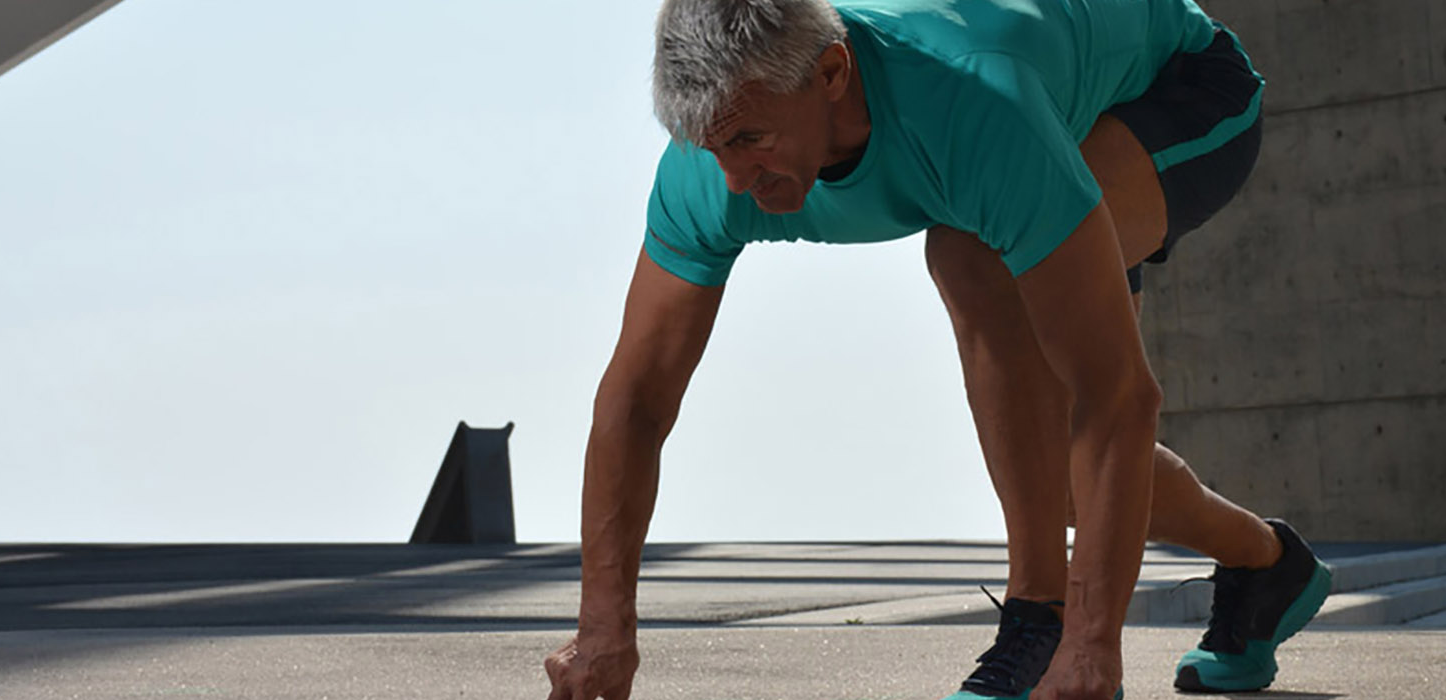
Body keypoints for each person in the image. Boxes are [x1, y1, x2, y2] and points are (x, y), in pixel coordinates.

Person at [544, 1, 1333, 699]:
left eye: (752, 139)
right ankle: (1267, 568)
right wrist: (605, 631)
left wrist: (1093, 648)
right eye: (713, 146)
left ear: (830, 74)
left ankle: (1040, 617)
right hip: (1046, 106)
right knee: (1066, 483)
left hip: (1176, 89)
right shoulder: (710, 169)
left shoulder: (971, 107)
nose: (737, 178)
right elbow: (636, 402)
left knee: (969, 255)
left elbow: (1118, 393)